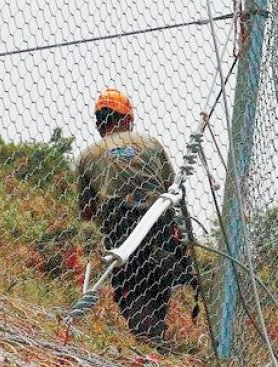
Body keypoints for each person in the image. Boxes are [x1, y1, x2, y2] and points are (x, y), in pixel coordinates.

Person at [75, 88, 194, 344]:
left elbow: (87, 211)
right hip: (156, 219)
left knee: (129, 281)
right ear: (127, 120)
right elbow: (169, 187)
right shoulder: (150, 144)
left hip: (119, 221)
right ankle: (153, 335)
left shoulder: (88, 154)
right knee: (158, 276)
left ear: (99, 122)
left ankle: (147, 337)